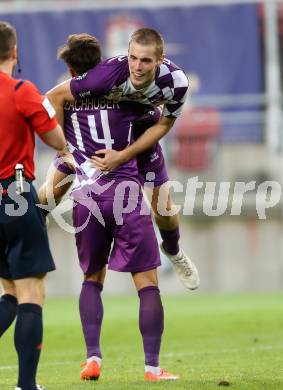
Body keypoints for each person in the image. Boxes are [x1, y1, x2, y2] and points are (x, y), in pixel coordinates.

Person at [41, 33, 179, 382]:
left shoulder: (69, 99)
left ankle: (92, 358)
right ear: (102, 63)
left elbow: (50, 108)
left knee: (91, 278)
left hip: (86, 197)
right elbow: (158, 121)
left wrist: (63, 155)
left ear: (73, 71)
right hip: (125, 193)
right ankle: (151, 367)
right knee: (147, 281)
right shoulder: (130, 98)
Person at [47, 28, 200, 290]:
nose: (138, 67)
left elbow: (165, 124)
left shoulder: (176, 83)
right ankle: (21, 234)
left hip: (140, 143)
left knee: (164, 210)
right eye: (133, 58)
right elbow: (54, 97)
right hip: (96, 149)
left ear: (160, 60)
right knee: (49, 192)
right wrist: (63, 149)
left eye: (146, 60)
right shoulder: (103, 78)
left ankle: (174, 251)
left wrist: (125, 155)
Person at [0, 21, 66, 390]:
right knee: (30, 293)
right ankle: (26, 385)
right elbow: (56, 139)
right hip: (14, 195)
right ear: (14, 52)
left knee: (9, 292)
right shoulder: (22, 91)